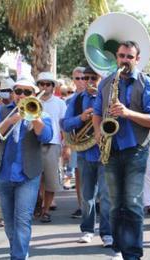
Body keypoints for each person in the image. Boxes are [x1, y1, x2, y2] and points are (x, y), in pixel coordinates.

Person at [92, 41, 150, 260]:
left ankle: (133, 253)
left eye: (129, 57)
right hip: (111, 148)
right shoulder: (106, 83)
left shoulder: (146, 83)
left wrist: (127, 113)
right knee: (113, 203)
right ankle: (119, 248)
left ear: (137, 59)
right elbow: (96, 112)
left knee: (131, 203)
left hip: (135, 149)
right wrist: (98, 132)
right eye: (121, 56)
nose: (124, 60)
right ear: (117, 58)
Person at [0, 75, 53, 259]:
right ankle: (19, 250)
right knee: (9, 222)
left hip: (28, 175)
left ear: (34, 94)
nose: (22, 95)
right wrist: (11, 120)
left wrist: (35, 118)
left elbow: (46, 136)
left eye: (27, 92)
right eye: (18, 91)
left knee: (23, 221)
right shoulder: (0, 111)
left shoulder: (42, 113)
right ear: (13, 93)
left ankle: (18, 256)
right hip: (3, 173)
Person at [61, 66, 112, 247]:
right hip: (85, 153)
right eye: (85, 77)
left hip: (105, 153)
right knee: (87, 196)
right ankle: (88, 230)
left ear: (101, 79)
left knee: (106, 197)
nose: (89, 81)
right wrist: (81, 118)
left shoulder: (108, 98)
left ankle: (107, 233)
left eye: (93, 77)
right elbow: (65, 125)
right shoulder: (76, 100)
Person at [34, 72, 67, 223]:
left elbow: (64, 126)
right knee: (34, 178)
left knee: (51, 180)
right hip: (33, 143)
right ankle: (38, 205)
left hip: (52, 144)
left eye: (48, 84)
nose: (45, 87)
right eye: (42, 84)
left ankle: (46, 210)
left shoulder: (60, 103)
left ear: (53, 87)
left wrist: (66, 146)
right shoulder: (32, 101)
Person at [67, 66, 86, 219]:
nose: (81, 81)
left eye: (83, 78)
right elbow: (65, 123)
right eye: (77, 78)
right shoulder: (69, 100)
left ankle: (97, 203)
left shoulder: (96, 96)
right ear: (73, 80)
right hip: (77, 140)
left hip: (96, 139)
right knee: (79, 174)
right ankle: (81, 205)